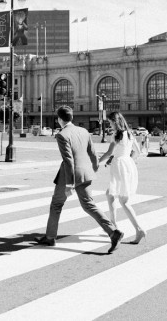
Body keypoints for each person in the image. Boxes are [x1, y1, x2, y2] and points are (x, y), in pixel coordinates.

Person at [35, 106, 124, 254]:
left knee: (56, 204)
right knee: (89, 205)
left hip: (68, 175)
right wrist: (94, 168)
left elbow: (68, 161)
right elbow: (93, 153)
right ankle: (113, 232)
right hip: (85, 173)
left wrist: (69, 184)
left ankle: (50, 237)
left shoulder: (62, 135)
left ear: (59, 119)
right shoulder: (83, 131)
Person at [98, 112, 146, 244]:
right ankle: (113, 227)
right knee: (110, 194)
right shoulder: (129, 134)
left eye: (110, 122)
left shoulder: (117, 134)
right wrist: (128, 160)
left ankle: (139, 229)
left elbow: (108, 153)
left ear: (115, 122)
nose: (109, 124)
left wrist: (97, 163)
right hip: (127, 164)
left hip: (119, 165)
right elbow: (137, 151)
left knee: (123, 201)